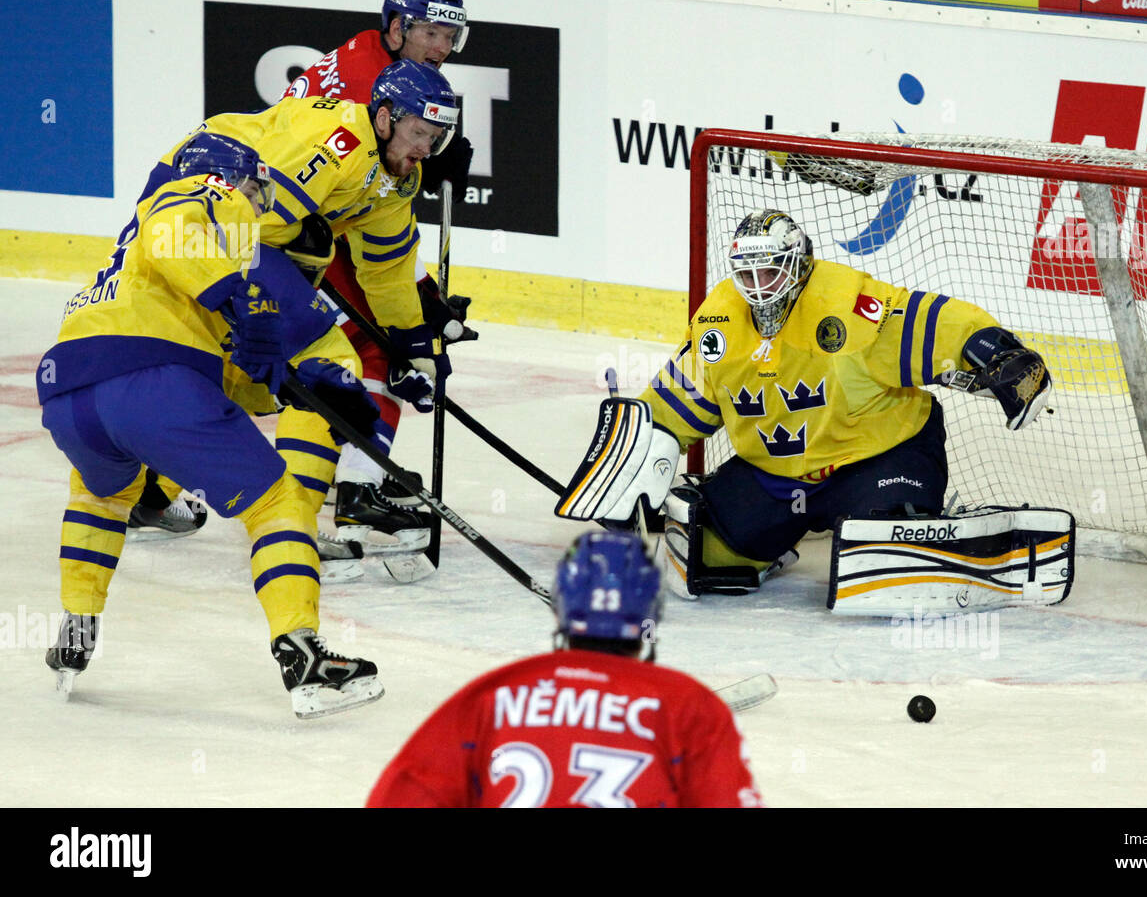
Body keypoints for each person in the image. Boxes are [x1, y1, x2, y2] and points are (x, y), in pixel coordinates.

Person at [37, 133, 387, 718]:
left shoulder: (140, 277)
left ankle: (77, 624)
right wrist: (240, 295)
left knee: (102, 496)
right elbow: (173, 229)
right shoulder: (203, 195)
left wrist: (318, 393)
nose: (258, 209)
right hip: (151, 380)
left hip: (68, 395)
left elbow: (237, 380)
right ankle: (304, 656)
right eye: (256, 194)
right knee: (275, 502)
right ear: (232, 179)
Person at [556, 208, 1054, 607]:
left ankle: (959, 542)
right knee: (702, 552)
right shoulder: (719, 327)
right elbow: (679, 402)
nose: (758, 284)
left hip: (875, 459)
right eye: (747, 272)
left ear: (799, 266)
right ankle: (778, 544)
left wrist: (998, 354)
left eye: (770, 269)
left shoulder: (848, 310)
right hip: (777, 476)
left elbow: (930, 322)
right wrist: (633, 459)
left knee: (882, 558)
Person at [282, 0, 478, 559]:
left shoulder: (376, 63)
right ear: (397, 27)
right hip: (289, 225)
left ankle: (153, 484)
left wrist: (419, 295)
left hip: (317, 219)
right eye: (433, 34)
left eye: (452, 37)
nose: (443, 49)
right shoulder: (381, 83)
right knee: (373, 350)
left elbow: (381, 231)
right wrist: (416, 310)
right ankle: (356, 489)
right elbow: (375, 210)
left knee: (377, 344)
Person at [366, 531, 763, 808]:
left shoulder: (491, 697)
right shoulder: (689, 708)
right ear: (650, 613)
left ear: (560, 607)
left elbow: (402, 797)